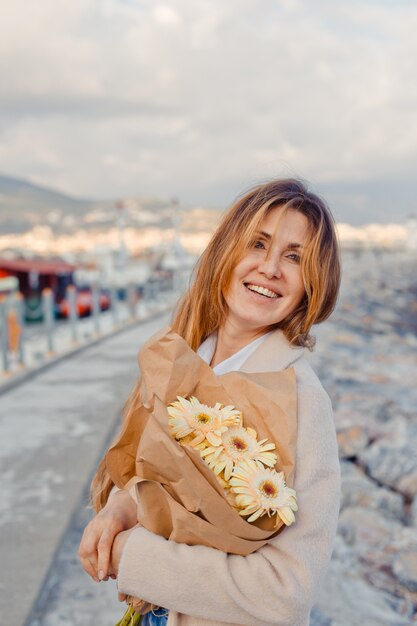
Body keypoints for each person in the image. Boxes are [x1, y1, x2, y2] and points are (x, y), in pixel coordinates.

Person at [79, 178, 342, 626]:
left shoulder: (301, 400)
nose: (270, 268)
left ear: (312, 284)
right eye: (257, 244)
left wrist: (134, 557)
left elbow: (287, 592)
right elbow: (157, 472)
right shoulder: (183, 357)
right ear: (227, 251)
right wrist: (122, 504)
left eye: (294, 257)